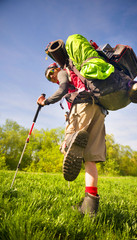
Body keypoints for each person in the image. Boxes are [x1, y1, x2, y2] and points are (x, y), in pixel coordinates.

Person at [37, 62, 107, 216]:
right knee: (90, 159)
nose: (52, 78)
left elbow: (62, 89)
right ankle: (90, 207)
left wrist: (46, 101)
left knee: (67, 145)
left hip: (82, 106)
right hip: (100, 109)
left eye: (51, 74)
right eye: (49, 79)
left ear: (55, 69)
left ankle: (68, 145)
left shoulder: (63, 72)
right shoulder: (79, 77)